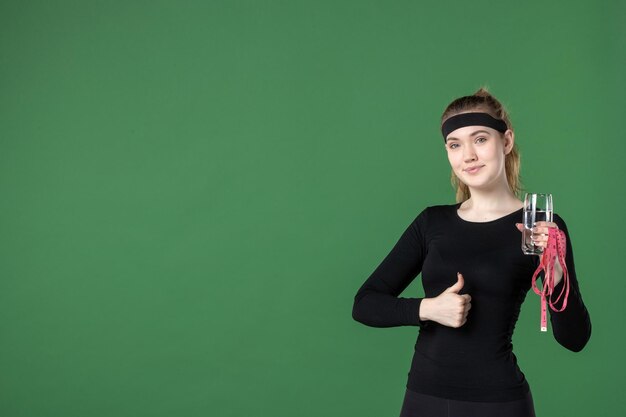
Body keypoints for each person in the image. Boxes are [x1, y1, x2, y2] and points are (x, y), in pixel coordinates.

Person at [351, 88, 592, 417]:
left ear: (505, 142)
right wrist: (429, 309)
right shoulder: (431, 222)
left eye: (480, 139)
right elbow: (365, 304)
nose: (468, 155)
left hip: (499, 403)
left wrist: (555, 270)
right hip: (423, 399)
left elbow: (574, 339)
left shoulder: (539, 226)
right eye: (455, 144)